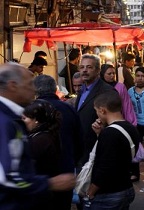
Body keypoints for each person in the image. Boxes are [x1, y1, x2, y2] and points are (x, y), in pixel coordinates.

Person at [0, 62, 75, 209]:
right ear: (13, 85)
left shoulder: (10, 118)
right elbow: (5, 178)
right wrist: (50, 183)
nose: (34, 89)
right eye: (29, 84)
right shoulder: (4, 121)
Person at [33, 75, 82, 209]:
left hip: (40, 175)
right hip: (65, 170)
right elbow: (79, 141)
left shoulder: (31, 110)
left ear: (35, 90)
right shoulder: (69, 109)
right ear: (55, 89)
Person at [85, 90, 139, 210]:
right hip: (126, 187)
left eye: (97, 111)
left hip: (109, 193)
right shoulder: (131, 128)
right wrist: (100, 134)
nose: (97, 115)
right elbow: (119, 154)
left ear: (103, 110)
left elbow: (105, 167)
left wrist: (91, 192)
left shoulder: (109, 134)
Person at [23, 99, 64, 210]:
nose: (23, 121)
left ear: (36, 120)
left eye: (25, 118)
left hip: (42, 195)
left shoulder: (40, 140)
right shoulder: (43, 136)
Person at [76, 54, 115, 167]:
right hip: (82, 147)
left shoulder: (106, 91)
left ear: (98, 70)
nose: (84, 70)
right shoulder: (82, 89)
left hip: (97, 147)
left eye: (89, 67)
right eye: (82, 67)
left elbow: (112, 119)